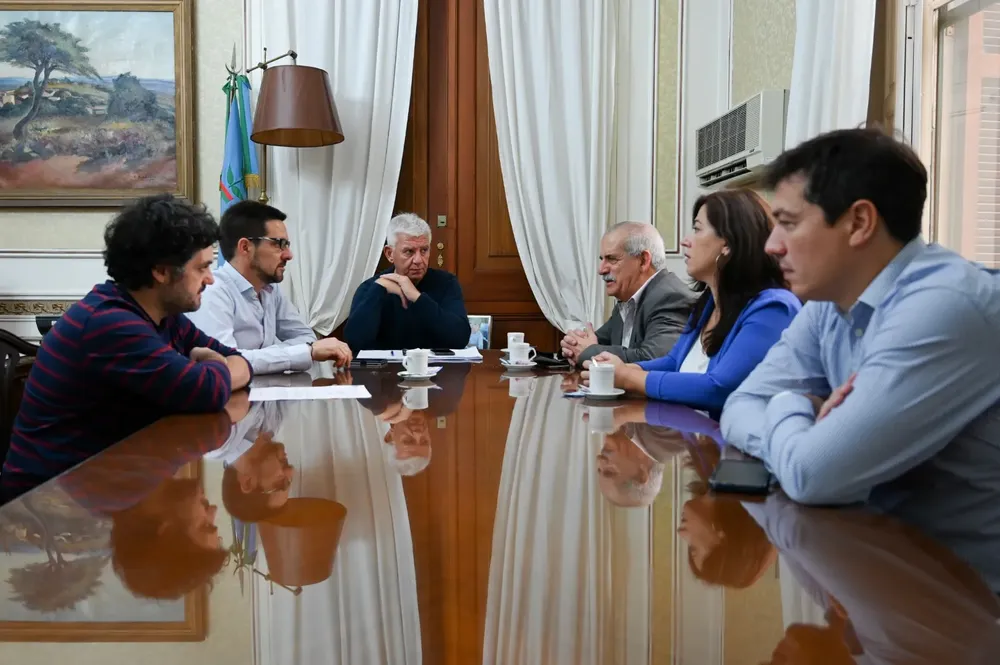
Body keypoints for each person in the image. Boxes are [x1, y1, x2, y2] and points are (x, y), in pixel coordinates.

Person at [720, 128, 1000, 506]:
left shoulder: (945, 306)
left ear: (859, 223)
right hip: (863, 533)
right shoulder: (828, 302)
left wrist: (788, 403)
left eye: (788, 223)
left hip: (942, 546)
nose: (771, 246)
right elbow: (740, 405)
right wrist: (805, 423)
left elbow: (812, 475)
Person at [1, 194, 252, 502]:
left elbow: (240, 362)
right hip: (44, 503)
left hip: (103, 484)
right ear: (161, 271)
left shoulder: (163, 316)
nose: (210, 280)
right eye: (202, 268)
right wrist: (216, 363)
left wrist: (217, 365)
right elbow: (205, 391)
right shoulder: (109, 324)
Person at [582, 190, 800, 420]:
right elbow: (674, 362)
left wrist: (627, 377)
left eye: (697, 229)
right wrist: (618, 369)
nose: (685, 241)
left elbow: (718, 388)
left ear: (727, 243)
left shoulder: (773, 308)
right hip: (694, 435)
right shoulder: (708, 304)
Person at [187, 201, 352, 374]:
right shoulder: (213, 291)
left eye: (287, 245)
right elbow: (223, 362)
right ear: (245, 247)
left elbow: (306, 338)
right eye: (279, 244)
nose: (288, 255)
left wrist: (264, 357)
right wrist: (301, 353)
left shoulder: (270, 290)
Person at [561, 222, 695, 367]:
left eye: (612, 259)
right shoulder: (627, 301)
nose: (601, 270)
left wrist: (587, 352)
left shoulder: (670, 298)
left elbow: (654, 360)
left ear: (643, 260)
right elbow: (592, 342)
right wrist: (572, 345)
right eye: (602, 259)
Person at [344, 213, 470, 352]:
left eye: (424, 250)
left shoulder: (446, 283)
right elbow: (355, 343)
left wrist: (417, 297)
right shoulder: (370, 288)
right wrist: (378, 290)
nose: (418, 260)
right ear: (390, 254)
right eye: (409, 251)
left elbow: (460, 338)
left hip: (433, 365)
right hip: (386, 366)